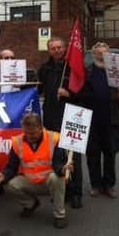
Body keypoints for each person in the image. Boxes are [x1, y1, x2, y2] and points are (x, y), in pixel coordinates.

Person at [0, 113, 72, 229]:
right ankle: (31, 204)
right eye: (27, 133)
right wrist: (3, 175)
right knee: (7, 184)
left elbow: (58, 164)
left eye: (33, 133)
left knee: (57, 178)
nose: (30, 136)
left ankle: (59, 215)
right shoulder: (17, 142)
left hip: (49, 182)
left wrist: (63, 169)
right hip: (30, 182)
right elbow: (11, 167)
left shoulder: (53, 139)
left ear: (41, 128)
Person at [37, 37, 83, 209]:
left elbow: (85, 94)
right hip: (51, 118)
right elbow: (37, 90)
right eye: (53, 48)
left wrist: (69, 94)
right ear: (49, 50)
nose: (56, 50)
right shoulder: (44, 69)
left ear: (65, 48)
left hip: (72, 117)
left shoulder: (74, 68)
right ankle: (61, 193)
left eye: (59, 47)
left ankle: (76, 193)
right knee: (56, 157)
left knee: (74, 157)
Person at [79, 42, 119, 198]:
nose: (101, 56)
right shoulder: (87, 71)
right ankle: (96, 185)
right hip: (91, 119)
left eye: (104, 53)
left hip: (111, 119)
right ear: (93, 54)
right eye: (98, 53)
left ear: (108, 54)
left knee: (110, 153)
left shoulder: (115, 70)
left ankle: (109, 185)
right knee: (93, 154)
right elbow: (80, 92)